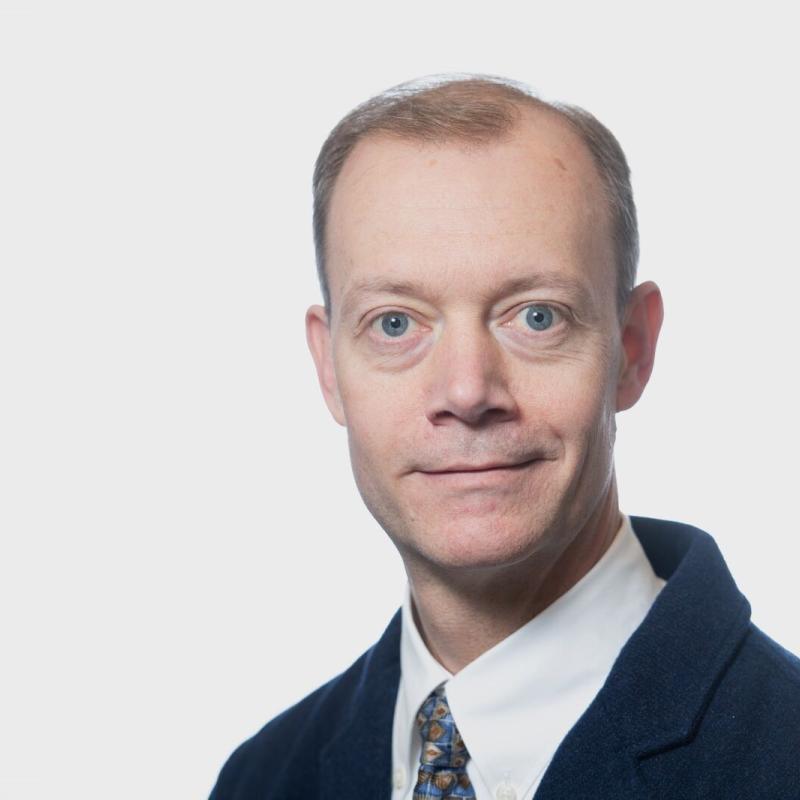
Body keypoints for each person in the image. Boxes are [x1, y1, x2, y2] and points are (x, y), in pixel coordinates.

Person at [209, 74, 800, 799]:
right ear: (329, 367)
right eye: (395, 322)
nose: (466, 391)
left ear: (633, 350)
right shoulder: (262, 780)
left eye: (536, 316)